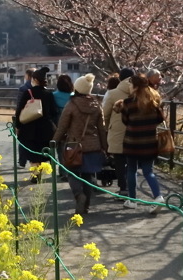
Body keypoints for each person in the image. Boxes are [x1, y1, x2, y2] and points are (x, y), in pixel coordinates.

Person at [52, 74, 107, 215]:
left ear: (76, 88)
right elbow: (102, 129)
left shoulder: (71, 105)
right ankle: (86, 205)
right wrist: (105, 147)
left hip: (74, 146)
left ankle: (79, 195)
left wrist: (54, 141)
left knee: (72, 173)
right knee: (88, 176)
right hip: (93, 146)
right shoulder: (96, 105)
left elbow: (62, 126)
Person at [119, 74, 165, 212]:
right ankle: (158, 196)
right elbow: (160, 119)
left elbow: (125, 121)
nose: (129, 86)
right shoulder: (154, 101)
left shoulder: (128, 102)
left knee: (131, 170)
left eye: (130, 84)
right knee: (148, 171)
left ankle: (132, 200)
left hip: (132, 142)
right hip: (149, 141)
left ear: (135, 86)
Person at [13, 67, 58, 178]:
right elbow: (54, 111)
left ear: (35, 80)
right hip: (46, 128)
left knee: (32, 152)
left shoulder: (28, 92)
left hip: (29, 128)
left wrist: (17, 125)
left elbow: (20, 110)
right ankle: (39, 172)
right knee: (43, 151)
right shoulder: (49, 93)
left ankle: (36, 174)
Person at [103, 68, 135, 198]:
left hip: (117, 130)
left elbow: (105, 113)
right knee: (132, 162)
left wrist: (107, 128)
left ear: (120, 78)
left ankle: (123, 189)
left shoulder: (112, 93)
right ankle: (132, 190)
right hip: (135, 130)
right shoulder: (139, 92)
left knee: (119, 161)